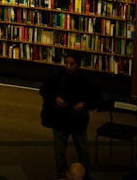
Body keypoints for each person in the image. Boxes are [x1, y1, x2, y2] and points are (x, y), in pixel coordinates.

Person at [39, 51, 101, 179]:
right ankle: (62, 176)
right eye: (66, 63)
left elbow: (97, 97)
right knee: (60, 152)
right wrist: (55, 98)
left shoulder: (86, 79)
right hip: (60, 119)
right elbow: (43, 90)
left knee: (83, 151)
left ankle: (83, 176)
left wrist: (85, 104)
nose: (68, 66)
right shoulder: (57, 76)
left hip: (78, 121)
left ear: (78, 65)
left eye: (72, 64)